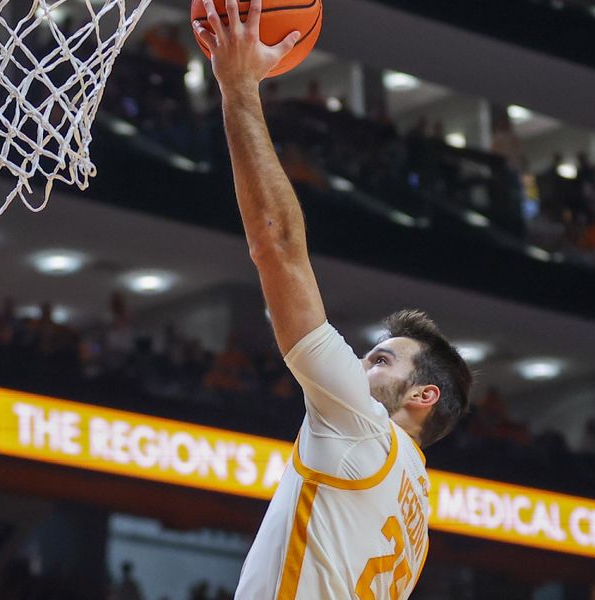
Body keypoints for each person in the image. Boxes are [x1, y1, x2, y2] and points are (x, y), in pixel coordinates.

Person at [193, 2, 473, 598]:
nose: (360, 364)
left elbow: (277, 244)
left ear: (422, 396)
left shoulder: (362, 428)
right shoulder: (416, 506)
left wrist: (238, 85)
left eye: (380, 360)